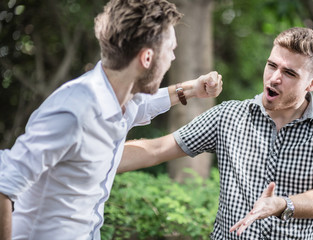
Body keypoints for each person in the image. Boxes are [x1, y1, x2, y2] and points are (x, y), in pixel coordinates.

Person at [0, 0, 223, 239]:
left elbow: (145, 103)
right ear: (147, 58)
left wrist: (191, 89)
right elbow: (4, 185)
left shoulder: (121, 99)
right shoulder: (73, 112)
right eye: (171, 50)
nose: (173, 57)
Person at [118, 27, 313, 239]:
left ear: (312, 84)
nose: (274, 78)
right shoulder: (228, 116)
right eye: (272, 65)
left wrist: (282, 204)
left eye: (290, 73)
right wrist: (92, 158)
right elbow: (155, 150)